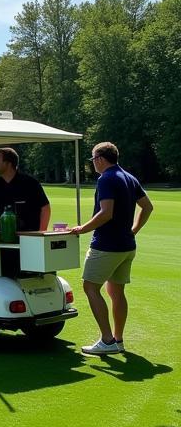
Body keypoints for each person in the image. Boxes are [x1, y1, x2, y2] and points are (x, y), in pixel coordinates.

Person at [71, 142, 154, 356]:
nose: (93, 165)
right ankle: (118, 339)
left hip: (107, 245)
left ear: (100, 159)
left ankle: (107, 341)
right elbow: (147, 207)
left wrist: (82, 228)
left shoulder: (106, 178)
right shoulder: (129, 177)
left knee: (90, 287)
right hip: (127, 245)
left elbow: (106, 213)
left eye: (93, 160)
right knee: (116, 291)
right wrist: (133, 230)